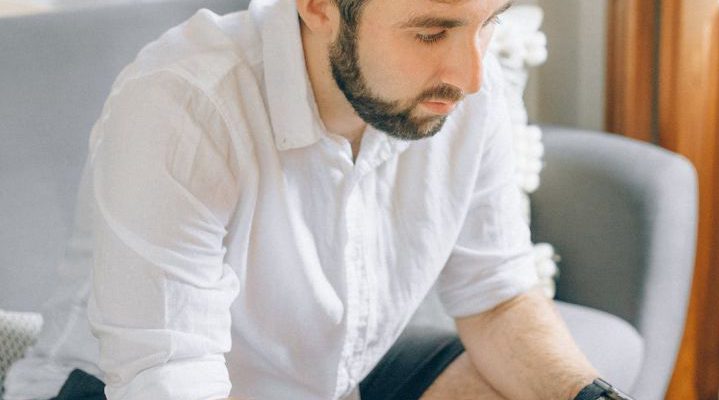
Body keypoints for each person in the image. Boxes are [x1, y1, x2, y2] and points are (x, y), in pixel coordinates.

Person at [4, 0, 633, 399]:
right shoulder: (183, 102)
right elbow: (168, 377)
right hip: (123, 383)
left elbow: (496, 300)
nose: (469, 75)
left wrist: (592, 398)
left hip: (329, 374)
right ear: (316, 6)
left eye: (488, 22)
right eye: (431, 31)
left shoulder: (475, 90)